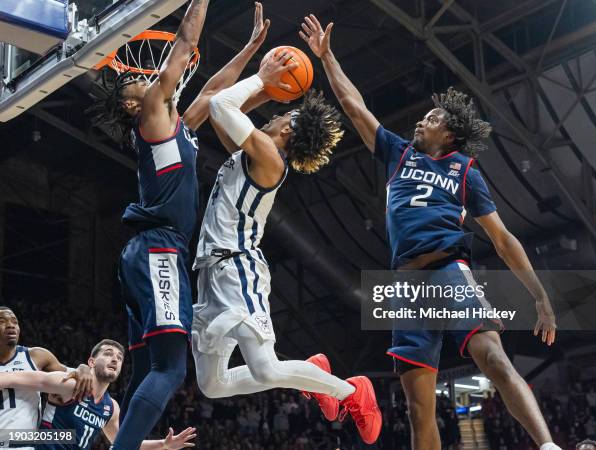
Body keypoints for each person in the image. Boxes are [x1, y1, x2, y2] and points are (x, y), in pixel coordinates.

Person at [300, 13, 561, 450]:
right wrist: (327, 59)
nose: (419, 121)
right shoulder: (399, 154)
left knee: (494, 358)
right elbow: (354, 106)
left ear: (451, 133)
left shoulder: (465, 172)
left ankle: (548, 446)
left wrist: (540, 296)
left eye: (430, 118)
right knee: (419, 411)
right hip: (404, 287)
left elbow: (503, 239)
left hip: (448, 273)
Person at [189, 20, 382, 445]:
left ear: (290, 128)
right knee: (212, 385)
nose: (279, 109)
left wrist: (263, 78)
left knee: (265, 369)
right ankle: (313, 371)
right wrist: (263, 83)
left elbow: (222, 106)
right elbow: (220, 112)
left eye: (287, 111)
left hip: (238, 268)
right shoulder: (253, 149)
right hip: (211, 270)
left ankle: (354, 392)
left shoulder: (270, 158)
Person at [88, 0, 211, 447]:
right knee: (172, 369)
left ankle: (130, 442)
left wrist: (253, 50)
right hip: (158, 248)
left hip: (148, 251)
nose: (146, 77)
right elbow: (185, 44)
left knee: (145, 369)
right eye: (136, 80)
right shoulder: (153, 111)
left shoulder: (175, 126)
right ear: (129, 102)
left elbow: (213, 92)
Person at [0, 339, 196, 450]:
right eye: (108, 354)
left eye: (119, 358)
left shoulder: (110, 408)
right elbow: (13, 378)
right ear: (92, 362)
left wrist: (164, 444)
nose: (115, 359)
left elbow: (122, 441)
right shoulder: (70, 384)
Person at [0, 306, 93, 449]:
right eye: (2, 321)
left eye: (14, 321)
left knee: (70, 438)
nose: (11, 325)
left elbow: (71, 374)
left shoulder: (36, 356)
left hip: (23, 443)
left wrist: (83, 368)